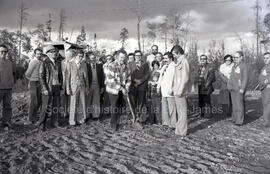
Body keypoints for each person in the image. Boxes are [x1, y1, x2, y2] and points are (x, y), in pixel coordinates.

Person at [36, 45, 63, 131]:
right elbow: (41, 77)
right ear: (48, 54)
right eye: (52, 52)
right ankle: (41, 124)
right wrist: (44, 89)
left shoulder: (58, 63)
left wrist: (61, 86)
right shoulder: (44, 63)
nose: (55, 53)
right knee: (45, 106)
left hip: (57, 87)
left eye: (56, 52)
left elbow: (60, 76)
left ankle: (54, 122)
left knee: (56, 106)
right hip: (48, 88)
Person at [105, 50, 131, 131]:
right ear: (117, 57)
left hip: (121, 89)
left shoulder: (126, 67)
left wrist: (126, 86)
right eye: (121, 57)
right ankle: (113, 124)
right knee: (114, 106)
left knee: (120, 106)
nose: (122, 59)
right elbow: (110, 80)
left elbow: (129, 78)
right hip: (113, 89)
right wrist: (121, 88)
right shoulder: (111, 66)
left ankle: (117, 122)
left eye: (124, 57)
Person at [66, 50, 89, 126]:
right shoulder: (70, 64)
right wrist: (68, 88)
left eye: (82, 56)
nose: (81, 58)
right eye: (79, 56)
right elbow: (67, 77)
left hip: (82, 86)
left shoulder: (84, 64)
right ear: (75, 56)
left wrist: (87, 88)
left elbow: (86, 77)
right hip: (73, 87)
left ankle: (80, 119)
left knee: (82, 103)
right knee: (73, 103)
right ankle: (72, 121)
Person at [171, 45, 190, 136]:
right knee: (179, 112)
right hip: (177, 90)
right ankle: (179, 130)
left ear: (178, 53)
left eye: (174, 54)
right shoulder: (179, 62)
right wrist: (173, 89)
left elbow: (185, 78)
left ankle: (182, 131)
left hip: (181, 92)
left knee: (182, 112)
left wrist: (180, 90)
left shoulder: (184, 61)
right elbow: (176, 78)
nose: (173, 56)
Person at [228, 51, 249, 125]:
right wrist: (229, 86)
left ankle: (239, 121)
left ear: (241, 57)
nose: (234, 59)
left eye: (236, 57)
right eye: (234, 57)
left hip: (239, 88)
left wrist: (242, 88)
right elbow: (232, 77)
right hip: (233, 88)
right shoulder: (234, 65)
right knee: (234, 104)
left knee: (239, 104)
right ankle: (234, 118)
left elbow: (245, 78)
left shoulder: (244, 65)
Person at [129, 50, 150, 123]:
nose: (138, 57)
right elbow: (129, 74)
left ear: (141, 56)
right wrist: (135, 80)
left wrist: (140, 81)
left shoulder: (146, 64)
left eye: (139, 55)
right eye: (136, 55)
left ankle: (141, 119)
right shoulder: (130, 64)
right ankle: (134, 117)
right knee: (133, 101)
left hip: (142, 86)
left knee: (141, 102)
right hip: (133, 86)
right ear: (134, 56)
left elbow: (147, 74)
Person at [157, 52, 176, 128]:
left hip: (170, 90)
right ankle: (166, 123)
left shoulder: (174, 66)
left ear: (171, 58)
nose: (164, 60)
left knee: (172, 108)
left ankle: (173, 124)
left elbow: (176, 79)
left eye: (166, 58)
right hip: (163, 90)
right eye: (164, 58)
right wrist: (158, 87)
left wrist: (172, 89)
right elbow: (160, 77)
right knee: (164, 107)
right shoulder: (164, 66)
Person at [24, 48, 43, 125]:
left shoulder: (41, 62)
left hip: (39, 83)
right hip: (33, 83)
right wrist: (31, 81)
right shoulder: (33, 62)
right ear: (35, 54)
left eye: (40, 54)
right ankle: (30, 119)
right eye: (38, 54)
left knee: (39, 100)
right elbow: (27, 74)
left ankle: (34, 117)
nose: (39, 55)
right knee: (34, 101)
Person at [85, 51, 105, 120]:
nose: (93, 60)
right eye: (91, 58)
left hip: (97, 85)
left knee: (96, 101)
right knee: (88, 100)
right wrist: (86, 87)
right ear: (89, 59)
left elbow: (102, 77)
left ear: (96, 59)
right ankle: (87, 115)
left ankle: (95, 115)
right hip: (89, 85)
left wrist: (102, 86)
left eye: (94, 58)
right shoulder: (86, 66)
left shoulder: (99, 66)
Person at [0, 44, 16, 129]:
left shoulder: (10, 63)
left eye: (5, 51)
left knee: (7, 106)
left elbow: (13, 74)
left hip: (8, 88)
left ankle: (6, 122)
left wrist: (12, 83)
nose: (3, 53)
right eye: (1, 51)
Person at [61, 48, 75, 118]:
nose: (67, 56)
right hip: (64, 83)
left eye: (69, 54)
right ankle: (64, 112)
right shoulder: (62, 62)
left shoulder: (74, 62)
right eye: (66, 54)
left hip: (71, 83)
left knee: (71, 99)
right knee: (64, 98)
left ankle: (70, 113)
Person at [147, 60, 161, 124]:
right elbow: (148, 81)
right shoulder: (151, 73)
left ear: (158, 65)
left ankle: (158, 120)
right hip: (151, 91)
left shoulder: (161, 72)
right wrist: (150, 82)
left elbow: (162, 81)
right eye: (154, 65)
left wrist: (156, 83)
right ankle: (151, 120)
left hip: (158, 91)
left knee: (158, 106)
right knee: (152, 106)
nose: (155, 67)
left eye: (156, 65)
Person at [259, 52, 270, 127]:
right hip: (263, 88)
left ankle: (267, 121)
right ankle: (266, 119)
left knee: (267, 104)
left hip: (267, 88)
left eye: (267, 58)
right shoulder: (264, 67)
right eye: (264, 58)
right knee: (265, 104)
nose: (265, 59)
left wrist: (268, 81)